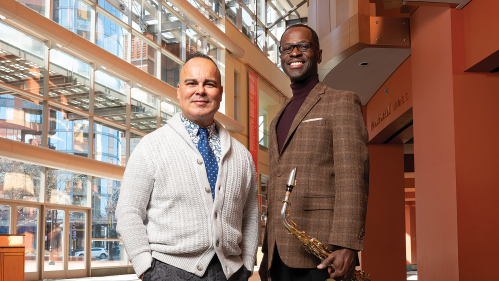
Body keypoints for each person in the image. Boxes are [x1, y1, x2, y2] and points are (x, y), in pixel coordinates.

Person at [116, 53, 259, 281]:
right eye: (192, 83)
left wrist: (248, 264)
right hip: (167, 270)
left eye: (209, 84)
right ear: (179, 90)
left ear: (220, 92)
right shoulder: (151, 146)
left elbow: (250, 214)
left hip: (231, 273)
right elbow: (128, 211)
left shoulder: (241, 155)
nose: (200, 90)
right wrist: (145, 268)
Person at [258, 24, 369, 281]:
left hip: (323, 254)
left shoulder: (341, 102)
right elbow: (277, 188)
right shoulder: (277, 117)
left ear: (318, 55)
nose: (294, 53)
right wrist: (267, 250)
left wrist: (347, 244)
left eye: (303, 46)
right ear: (281, 56)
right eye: (287, 48)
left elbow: (353, 177)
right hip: (279, 254)